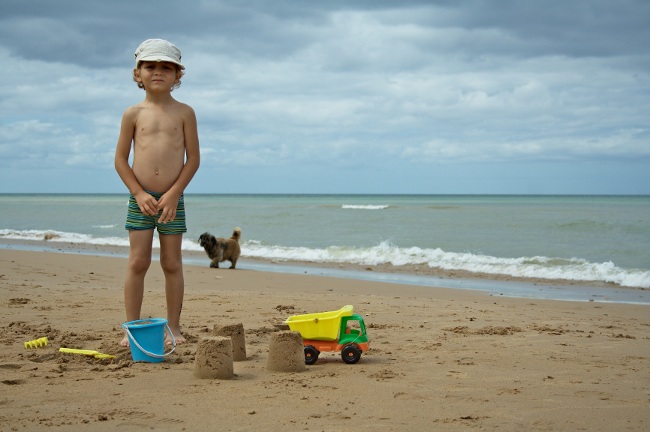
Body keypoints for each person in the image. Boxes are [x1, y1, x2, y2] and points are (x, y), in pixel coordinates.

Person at [114, 39, 200, 347]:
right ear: (138, 74)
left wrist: (175, 192)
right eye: (150, 66)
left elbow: (194, 159)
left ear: (178, 76)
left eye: (167, 67)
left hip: (172, 201)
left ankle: (174, 328)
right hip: (142, 199)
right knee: (137, 262)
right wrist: (138, 193)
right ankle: (132, 328)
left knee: (172, 263)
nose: (158, 72)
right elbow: (120, 160)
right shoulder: (132, 114)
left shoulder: (185, 113)